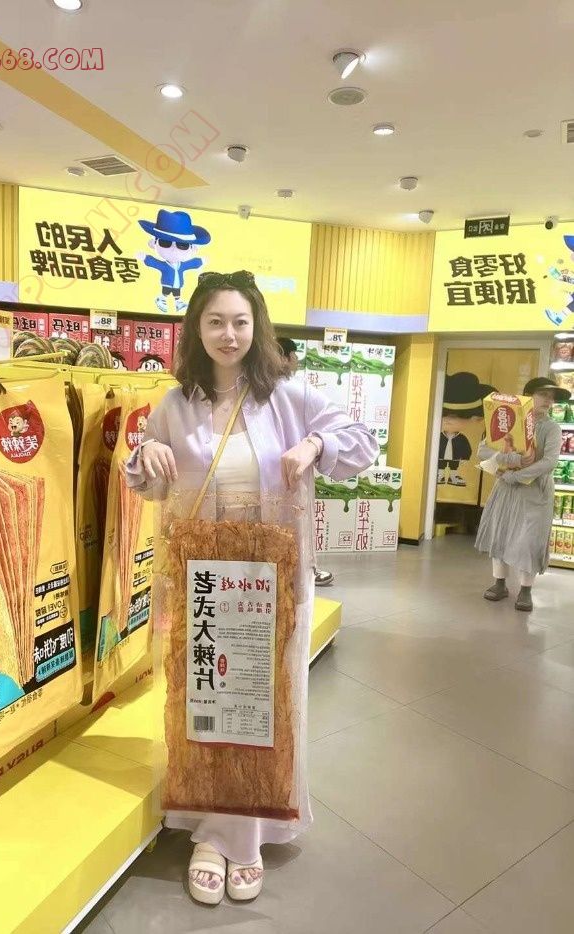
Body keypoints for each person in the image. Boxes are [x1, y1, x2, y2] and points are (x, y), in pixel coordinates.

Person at [126, 271, 377, 905]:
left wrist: (315, 443)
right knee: (205, 699)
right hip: (203, 582)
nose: (229, 334)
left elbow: (361, 443)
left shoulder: (290, 395)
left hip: (272, 581)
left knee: (266, 704)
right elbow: (148, 479)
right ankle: (214, 828)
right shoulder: (176, 403)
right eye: (215, 321)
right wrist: (146, 456)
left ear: (257, 327)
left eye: (240, 321)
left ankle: (242, 836)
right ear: (197, 329)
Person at [476, 377, 571, 611]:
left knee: (529, 540)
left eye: (551, 397)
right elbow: (483, 451)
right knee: (500, 533)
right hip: (505, 491)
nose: (548, 400)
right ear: (527, 396)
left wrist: (516, 475)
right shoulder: (507, 420)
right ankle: (499, 584)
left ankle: (526, 590)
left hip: (535, 493)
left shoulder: (552, 428)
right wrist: (512, 459)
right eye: (543, 395)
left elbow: (549, 462)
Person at [276, 336, 335, 587]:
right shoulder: (296, 390)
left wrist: (315, 444)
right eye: (294, 356)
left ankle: (305, 570)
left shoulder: (296, 390)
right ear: (287, 357)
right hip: (290, 475)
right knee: (296, 526)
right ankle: (304, 570)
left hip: (291, 472)